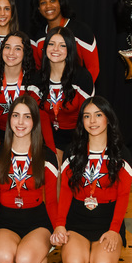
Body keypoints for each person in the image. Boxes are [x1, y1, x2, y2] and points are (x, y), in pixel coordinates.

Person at [50, 96, 132, 263]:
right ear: (82, 121)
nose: (92, 121)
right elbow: (64, 190)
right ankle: (83, 251)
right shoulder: (72, 151)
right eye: (87, 116)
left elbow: (124, 195)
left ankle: (98, 252)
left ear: (108, 118)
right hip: (77, 221)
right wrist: (60, 225)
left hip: (107, 222)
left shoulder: (121, 153)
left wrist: (114, 230)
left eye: (98, 115)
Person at [0, 96, 58, 263]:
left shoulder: (47, 156)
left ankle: (39, 249)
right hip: (6, 221)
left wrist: (58, 227)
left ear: (35, 121)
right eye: (16, 115)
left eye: (27, 117)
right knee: (4, 262)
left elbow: (51, 200)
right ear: (9, 119)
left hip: (37, 221)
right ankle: (21, 248)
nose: (20, 122)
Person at [0, 31, 54, 153]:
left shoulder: (35, 80)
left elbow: (43, 118)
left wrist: (53, 153)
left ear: (25, 53)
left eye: (18, 48)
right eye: (7, 47)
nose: (11, 53)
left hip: (27, 134)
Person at [36, 26, 94, 166]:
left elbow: (88, 115)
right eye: (51, 44)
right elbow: (39, 116)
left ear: (69, 49)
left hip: (78, 134)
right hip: (49, 135)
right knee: (53, 167)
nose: (56, 49)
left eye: (62, 45)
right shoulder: (36, 78)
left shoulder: (82, 77)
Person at [28, 0, 99, 82]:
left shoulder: (80, 30)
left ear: (61, 3)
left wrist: (82, 91)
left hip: (75, 91)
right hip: (48, 93)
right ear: (39, 9)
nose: (48, 6)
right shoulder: (36, 35)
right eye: (43, 3)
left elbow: (93, 68)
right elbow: (38, 69)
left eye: (52, 1)